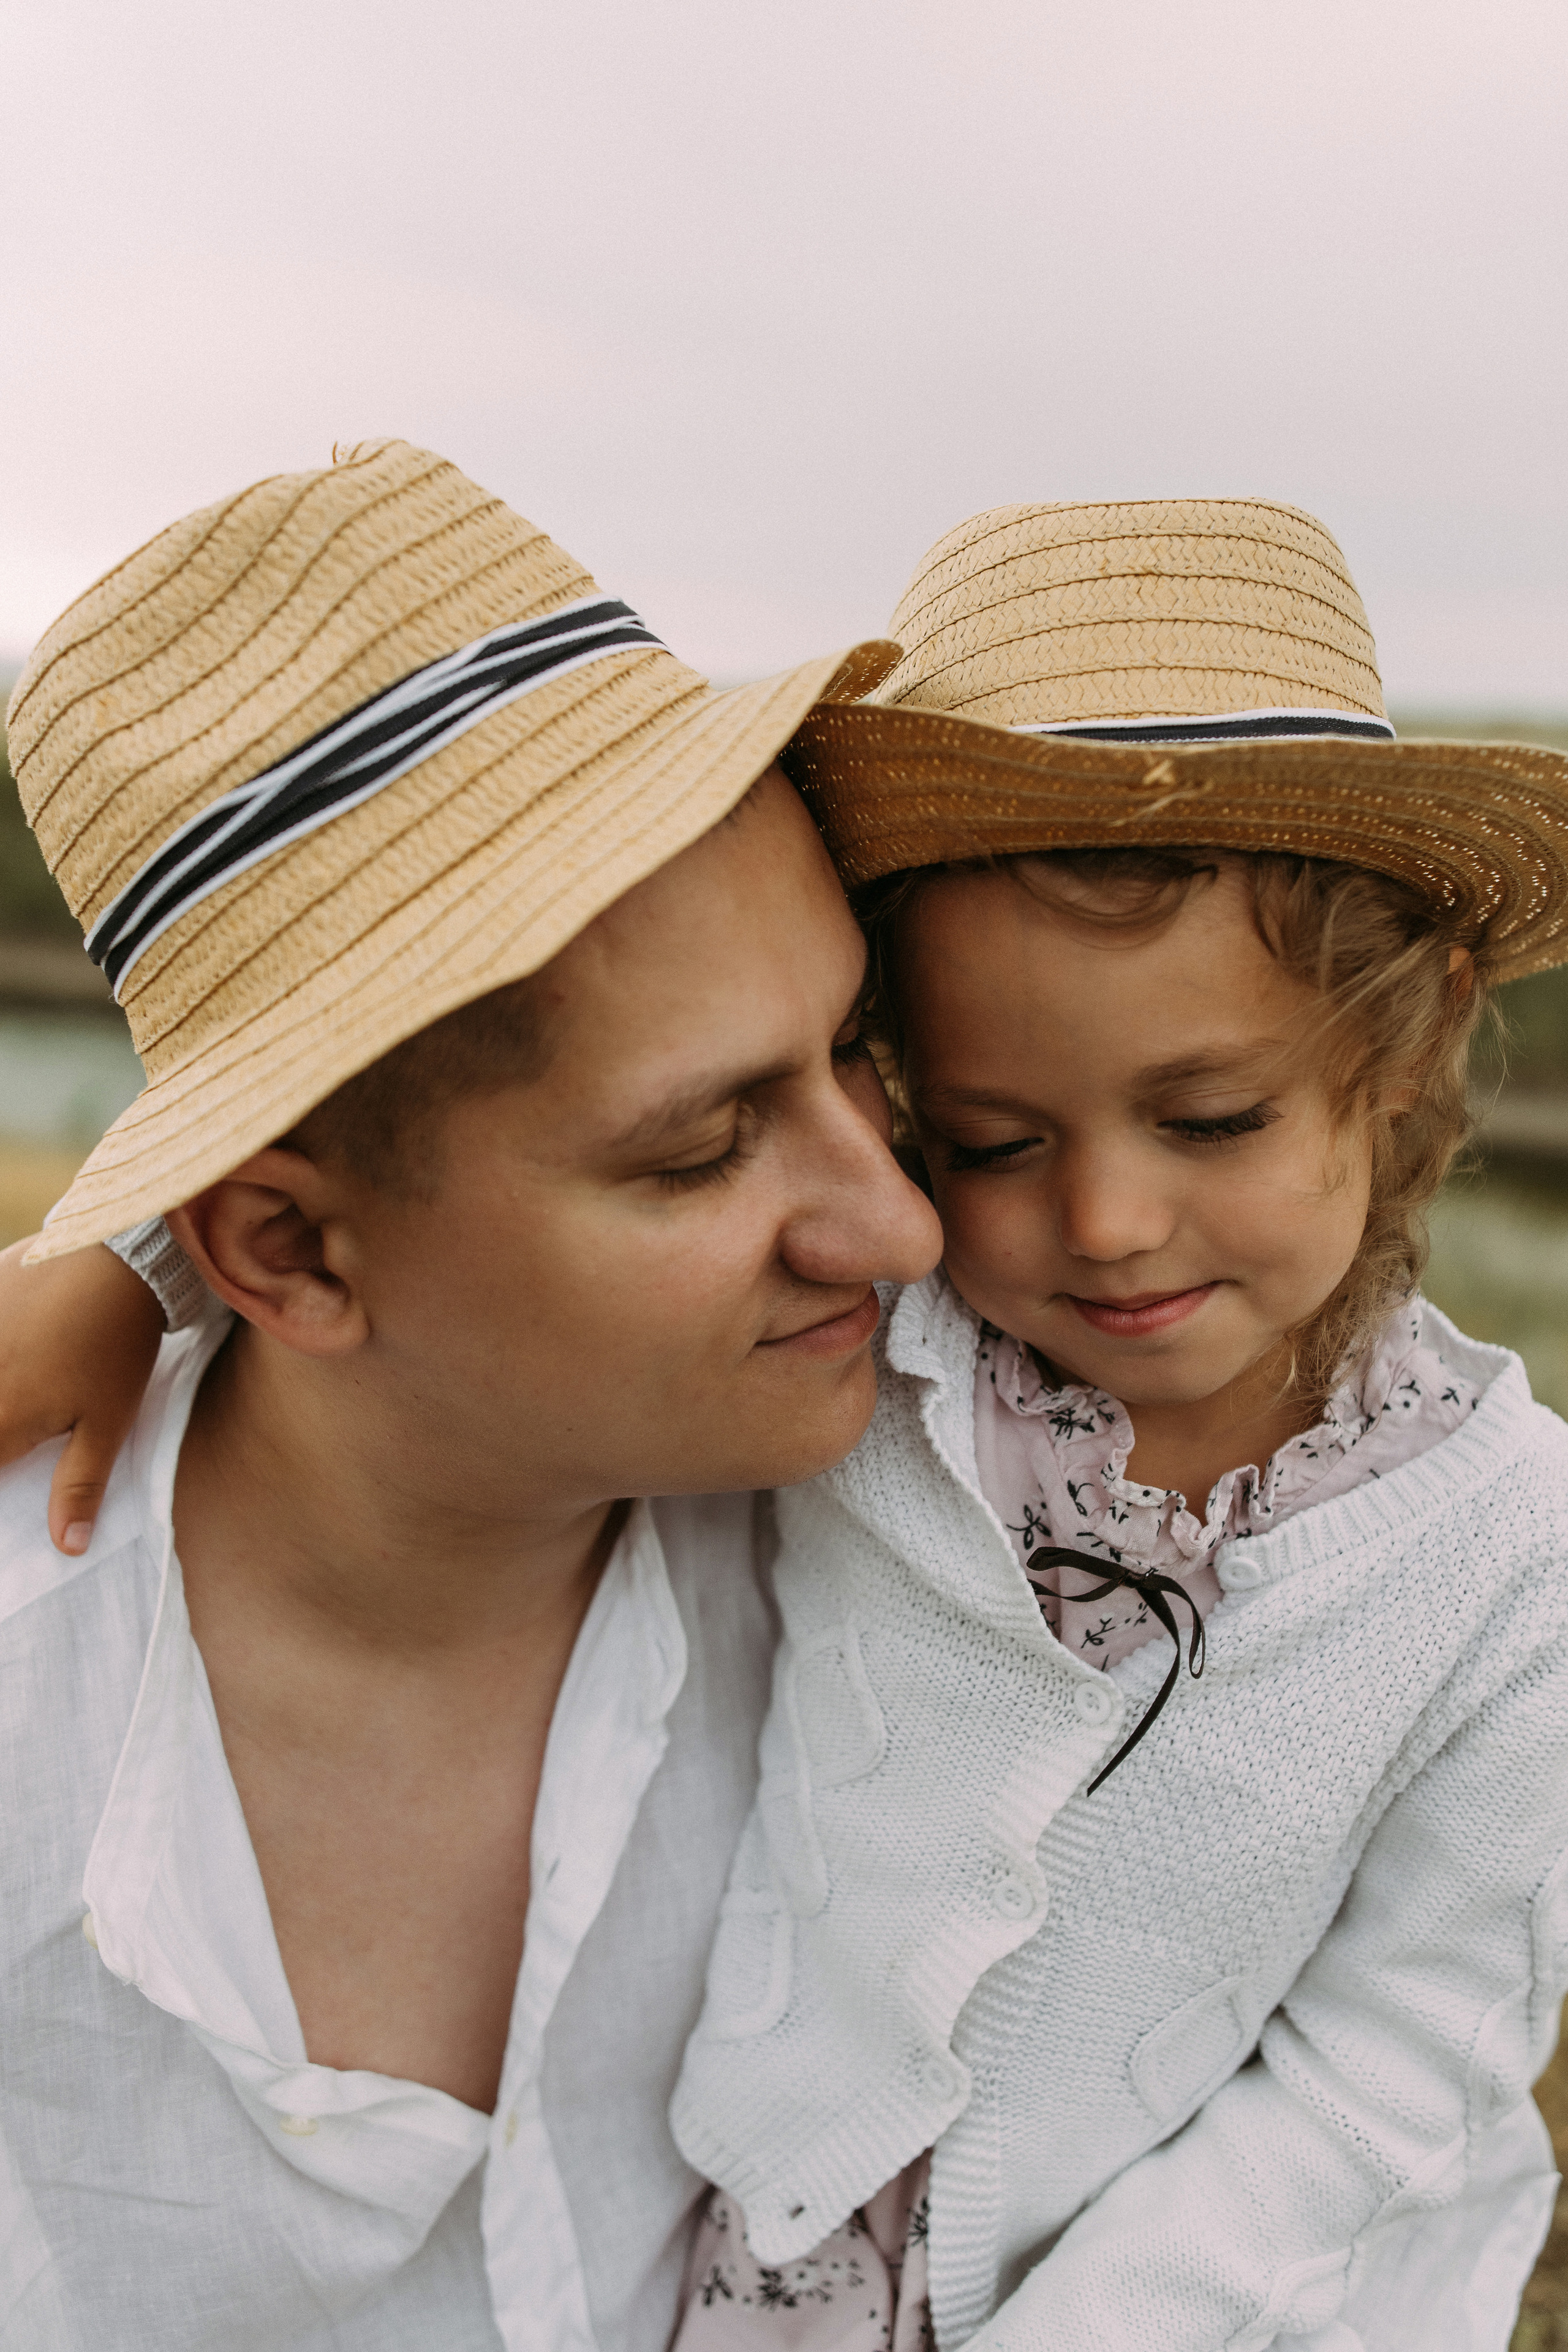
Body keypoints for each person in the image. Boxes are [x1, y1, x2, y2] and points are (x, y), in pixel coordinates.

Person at [0, 437, 941, 2349]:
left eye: (857, 1050)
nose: (899, 1229)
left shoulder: (930, 1537)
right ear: (290, 1256)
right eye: (701, 1151)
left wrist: (107, 1245)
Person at [664, 502, 1568, 2351]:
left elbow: (1389, 2071)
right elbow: (501, 1210)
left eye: (1213, 1120)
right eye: (997, 1141)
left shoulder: (1516, 1558)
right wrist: (125, 1272)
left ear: (1400, 1055)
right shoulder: (869, 1343)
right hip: (760, 2281)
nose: (1104, 1224)